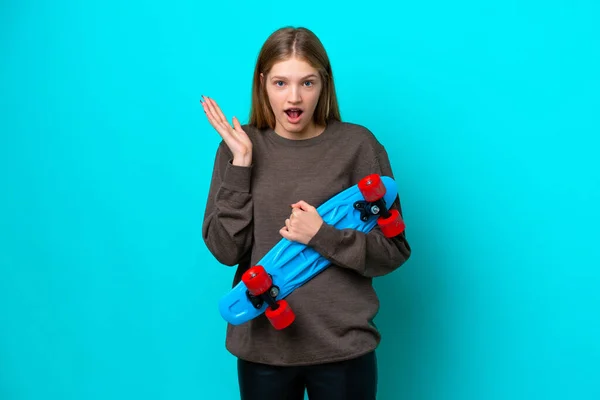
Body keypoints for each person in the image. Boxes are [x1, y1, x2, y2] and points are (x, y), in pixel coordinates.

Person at [201, 26, 411, 400]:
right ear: (263, 82)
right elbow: (225, 251)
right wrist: (242, 164)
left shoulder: (357, 145)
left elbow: (393, 252)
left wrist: (322, 235)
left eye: (307, 83)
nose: (293, 97)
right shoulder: (238, 147)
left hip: (342, 347)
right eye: (281, 83)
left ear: (324, 84)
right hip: (264, 347)